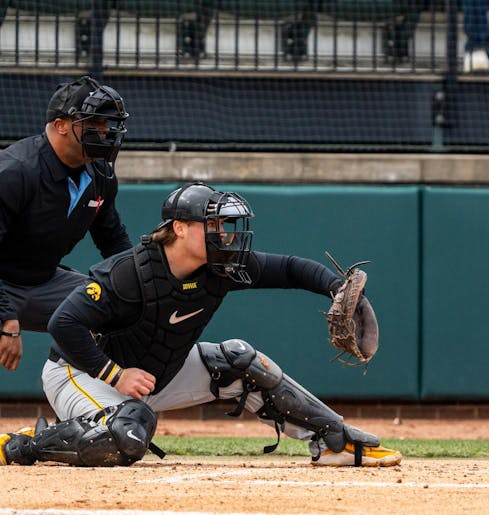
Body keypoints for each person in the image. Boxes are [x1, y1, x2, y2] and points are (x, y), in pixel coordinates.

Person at [0, 182, 401, 468]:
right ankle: (28, 445)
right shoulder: (129, 273)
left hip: (153, 376)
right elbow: (63, 323)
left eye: (225, 225)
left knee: (242, 361)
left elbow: (292, 268)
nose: (223, 233)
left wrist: (337, 288)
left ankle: (335, 439)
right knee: (127, 434)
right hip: (79, 372)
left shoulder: (222, 266)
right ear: (179, 228)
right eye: (213, 225)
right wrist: (115, 375)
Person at [0, 75, 132, 372]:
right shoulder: (14, 172)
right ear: (61, 125)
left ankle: (98, 410)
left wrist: (143, 286)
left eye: (107, 125)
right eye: (94, 124)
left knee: (122, 308)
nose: (104, 133)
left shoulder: (100, 175)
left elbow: (113, 240)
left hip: (43, 280)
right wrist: (6, 319)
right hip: (2, 285)